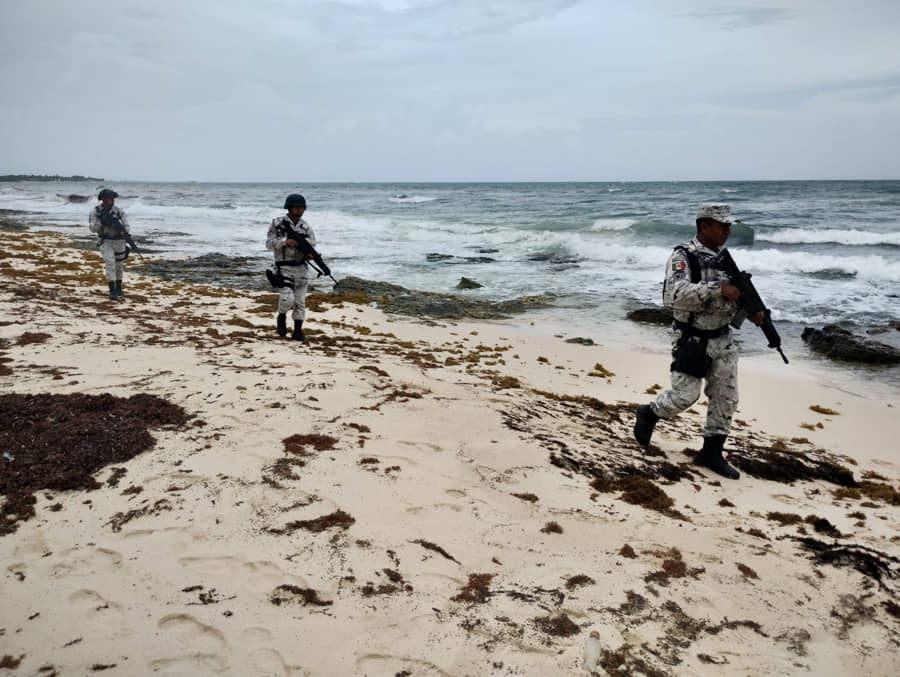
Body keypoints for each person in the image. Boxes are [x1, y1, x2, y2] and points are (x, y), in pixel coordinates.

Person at [633, 203, 764, 480]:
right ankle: (649, 412)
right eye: (722, 225)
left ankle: (711, 453)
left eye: (730, 226)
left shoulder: (724, 258)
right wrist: (718, 289)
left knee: (726, 399)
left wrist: (751, 310)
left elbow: (735, 294)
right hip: (692, 338)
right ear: (704, 226)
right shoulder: (683, 256)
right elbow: (674, 296)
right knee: (685, 396)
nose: (727, 231)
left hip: (723, 338)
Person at [266, 193, 317, 341]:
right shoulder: (277, 223)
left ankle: (298, 332)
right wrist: (285, 242)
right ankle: (281, 316)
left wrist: (308, 252)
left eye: (301, 207)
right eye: (296, 207)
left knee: (300, 301)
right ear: (289, 207)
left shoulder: (305, 226)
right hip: (283, 268)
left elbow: (312, 243)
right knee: (287, 299)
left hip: (301, 268)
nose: (299, 210)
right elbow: (269, 244)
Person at [88, 188, 131, 300]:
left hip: (119, 241)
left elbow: (126, 224)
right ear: (103, 199)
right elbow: (92, 229)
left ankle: (119, 289)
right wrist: (102, 223)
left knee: (119, 266)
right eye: (109, 198)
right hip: (105, 241)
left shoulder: (118, 210)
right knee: (110, 264)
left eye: (112, 198)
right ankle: (112, 290)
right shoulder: (95, 211)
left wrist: (125, 233)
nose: (112, 200)